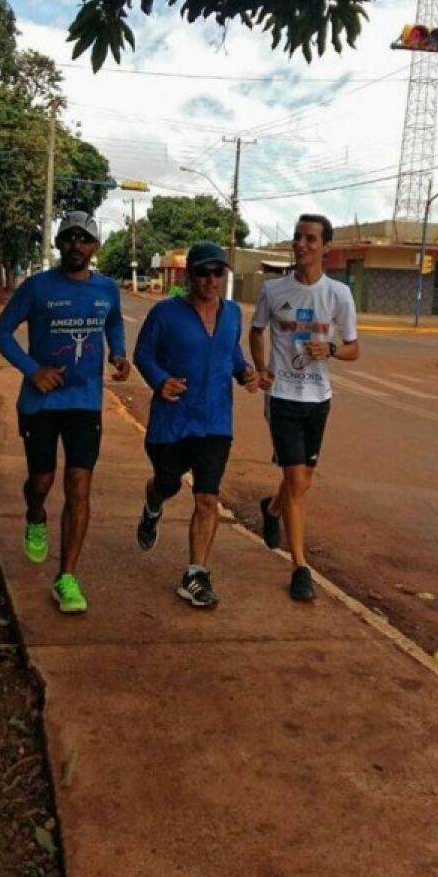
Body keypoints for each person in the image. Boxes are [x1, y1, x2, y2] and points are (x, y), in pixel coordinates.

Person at [0, 211, 130, 614]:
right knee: (41, 481)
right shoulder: (37, 288)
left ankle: (66, 576)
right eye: (68, 237)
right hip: (41, 404)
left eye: (84, 239)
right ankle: (35, 515)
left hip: (85, 402)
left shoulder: (107, 289)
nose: (76, 245)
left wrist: (119, 353)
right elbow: (0, 331)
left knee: (79, 485)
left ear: (95, 247)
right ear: (58, 243)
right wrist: (33, 370)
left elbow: (114, 323)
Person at [134, 241, 259, 609]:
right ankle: (153, 504)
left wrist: (244, 372)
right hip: (172, 421)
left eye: (217, 272)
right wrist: (159, 380)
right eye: (203, 272)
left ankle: (195, 574)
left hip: (216, 421)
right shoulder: (165, 313)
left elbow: (230, 351)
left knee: (207, 497)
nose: (210, 279)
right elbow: (143, 353)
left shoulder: (233, 313)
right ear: (189, 275)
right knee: (167, 484)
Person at [249, 214, 359, 601]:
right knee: (298, 482)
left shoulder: (339, 295)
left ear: (326, 247)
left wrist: (329, 349)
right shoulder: (273, 290)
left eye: (310, 239)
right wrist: (263, 370)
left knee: (302, 480)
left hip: (319, 400)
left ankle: (273, 508)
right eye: (298, 237)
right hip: (282, 399)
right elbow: (257, 330)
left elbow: (353, 349)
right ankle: (299, 567)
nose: (301, 244)